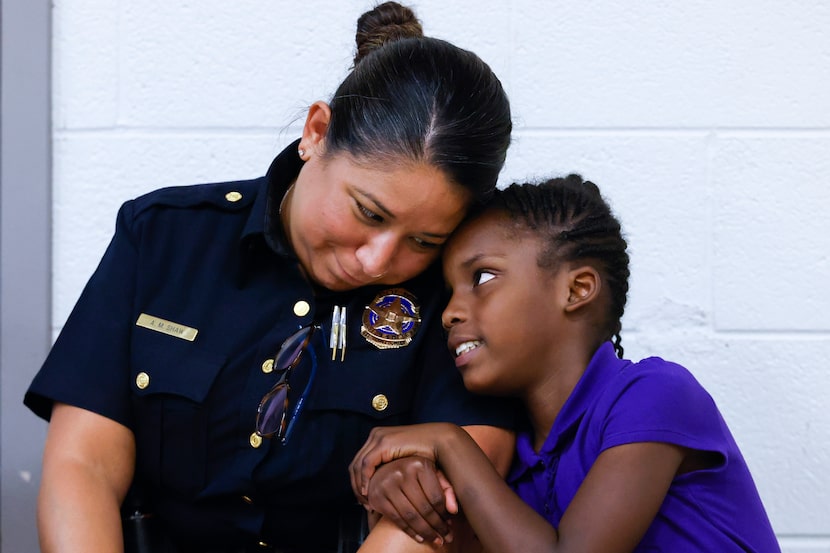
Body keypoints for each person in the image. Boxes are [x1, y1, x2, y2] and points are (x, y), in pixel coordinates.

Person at [23, 3, 518, 552]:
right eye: (369, 214)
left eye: (424, 241)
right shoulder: (164, 238)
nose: (378, 261)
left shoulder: (457, 300)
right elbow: (82, 466)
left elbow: (441, 507)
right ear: (317, 133)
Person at [351, 175, 782, 552]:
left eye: (481, 277)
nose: (449, 313)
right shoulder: (515, 462)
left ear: (576, 290)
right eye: (448, 293)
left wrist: (448, 441)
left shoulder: (655, 394)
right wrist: (405, 488)